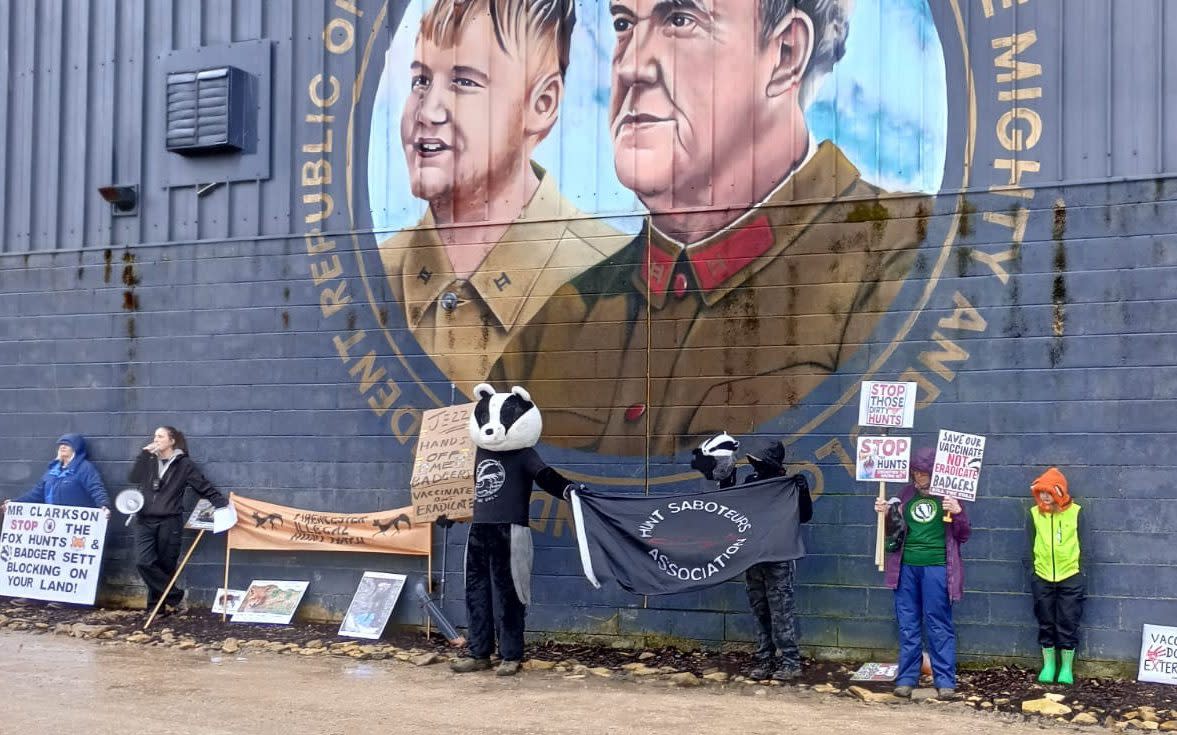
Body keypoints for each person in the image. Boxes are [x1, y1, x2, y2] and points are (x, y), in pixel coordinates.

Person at [490, 0, 928, 456]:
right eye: (623, 24)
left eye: (681, 20)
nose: (630, 64)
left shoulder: (906, 253)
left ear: (785, 54)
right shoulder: (557, 325)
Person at [378, 0, 625, 394]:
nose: (427, 110)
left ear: (541, 105)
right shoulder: (377, 275)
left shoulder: (615, 277)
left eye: (464, 82)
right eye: (420, 81)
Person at [874, 447, 969, 699]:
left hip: (937, 567)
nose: (918, 477)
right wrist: (886, 513)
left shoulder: (949, 497)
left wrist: (958, 513)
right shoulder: (905, 495)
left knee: (938, 623)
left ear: (934, 472)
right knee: (908, 624)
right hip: (905, 568)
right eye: (915, 471)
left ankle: (945, 680)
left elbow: (963, 535)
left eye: (923, 472)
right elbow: (893, 533)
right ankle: (906, 678)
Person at [128, 426, 228, 616]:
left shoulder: (184, 464)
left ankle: (156, 608)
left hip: (169, 520)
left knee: (165, 565)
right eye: (154, 436)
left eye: (160, 436)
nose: (155, 439)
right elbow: (134, 478)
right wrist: (143, 456)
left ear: (172, 440)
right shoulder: (149, 460)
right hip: (144, 519)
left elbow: (202, 486)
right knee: (144, 562)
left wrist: (222, 504)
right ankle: (176, 597)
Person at [2, 434, 110, 606]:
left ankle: (63, 599)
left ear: (77, 448)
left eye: (67, 444)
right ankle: (32, 595)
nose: (62, 447)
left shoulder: (84, 468)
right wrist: (16, 503)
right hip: (50, 524)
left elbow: (95, 487)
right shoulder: (52, 470)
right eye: (60, 444)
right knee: (42, 561)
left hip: (72, 525)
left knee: (66, 561)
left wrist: (103, 505)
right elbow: (37, 493)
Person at [742, 441, 813, 681]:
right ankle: (765, 660)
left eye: (762, 462)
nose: (758, 466)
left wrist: (802, 492)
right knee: (760, 609)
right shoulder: (751, 483)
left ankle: (791, 662)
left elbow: (804, 516)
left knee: (781, 611)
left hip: (779, 558)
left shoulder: (787, 485)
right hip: (754, 557)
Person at [1028, 467, 1084, 686]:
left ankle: (1066, 668)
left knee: (1067, 622)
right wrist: (1033, 572)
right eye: (1040, 492)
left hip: (1070, 576)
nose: (1043, 496)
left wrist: (1079, 572)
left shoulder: (1076, 512)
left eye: (1048, 492)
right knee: (1045, 622)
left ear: (1059, 492)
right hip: (1042, 577)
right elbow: (1028, 544)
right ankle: (1049, 665)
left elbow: (1085, 545)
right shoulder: (1034, 514)